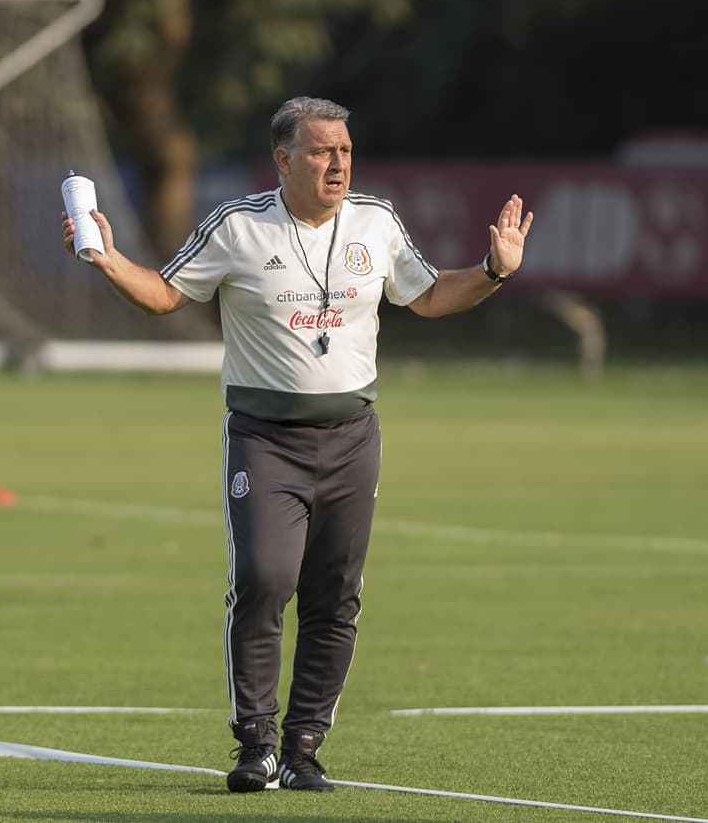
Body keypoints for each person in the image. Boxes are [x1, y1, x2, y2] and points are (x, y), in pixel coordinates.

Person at [60, 97, 532, 792]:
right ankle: (255, 745)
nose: (338, 162)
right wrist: (103, 258)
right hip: (264, 441)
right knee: (263, 579)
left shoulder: (377, 221)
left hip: (352, 439)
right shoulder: (237, 227)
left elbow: (429, 296)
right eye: (320, 151)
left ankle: (304, 747)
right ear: (284, 159)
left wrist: (493, 271)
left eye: (344, 149)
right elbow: (164, 295)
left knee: (335, 597)